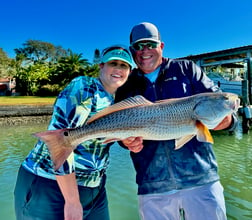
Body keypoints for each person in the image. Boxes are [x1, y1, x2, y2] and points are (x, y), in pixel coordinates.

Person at [115, 22, 238, 220]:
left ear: (161, 46)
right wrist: (125, 142)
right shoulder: (126, 87)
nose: (144, 51)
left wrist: (225, 120)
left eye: (150, 44)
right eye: (138, 46)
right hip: (152, 186)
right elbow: (120, 132)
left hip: (201, 181)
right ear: (132, 51)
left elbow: (226, 114)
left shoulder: (187, 69)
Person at [14, 45, 138, 220]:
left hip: (95, 189)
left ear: (130, 71)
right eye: (113, 63)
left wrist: (127, 141)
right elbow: (62, 140)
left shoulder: (116, 101)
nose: (118, 69)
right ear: (101, 66)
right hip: (50, 185)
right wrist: (72, 201)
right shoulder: (84, 87)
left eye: (123, 65)